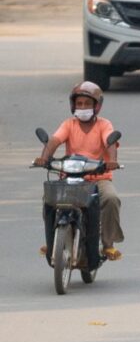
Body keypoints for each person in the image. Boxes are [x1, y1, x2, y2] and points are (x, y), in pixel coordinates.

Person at [33, 81, 124, 262]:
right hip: (70, 179)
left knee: (111, 199)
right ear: (73, 105)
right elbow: (54, 140)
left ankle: (108, 245)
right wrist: (44, 157)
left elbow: (110, 141)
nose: (82, 107)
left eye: (87, 104)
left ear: (96, 106)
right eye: (79, 104)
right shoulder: (69, 124)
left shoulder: (104, 125)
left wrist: (112, 161)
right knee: (49, 199)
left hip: (98, 178)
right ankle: (51, 242)